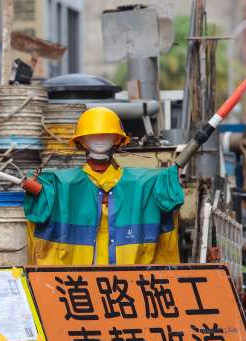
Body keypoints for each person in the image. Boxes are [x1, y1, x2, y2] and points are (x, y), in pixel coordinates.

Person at [22, 107, 184, 265]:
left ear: (118, 140)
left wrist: (169, 179)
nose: (99, 140)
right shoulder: (59, 185)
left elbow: (168, 200)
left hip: (128, 284)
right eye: (93, 136)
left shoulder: (146, 183)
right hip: (75, 285)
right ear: (81, 142)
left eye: (106, 135)